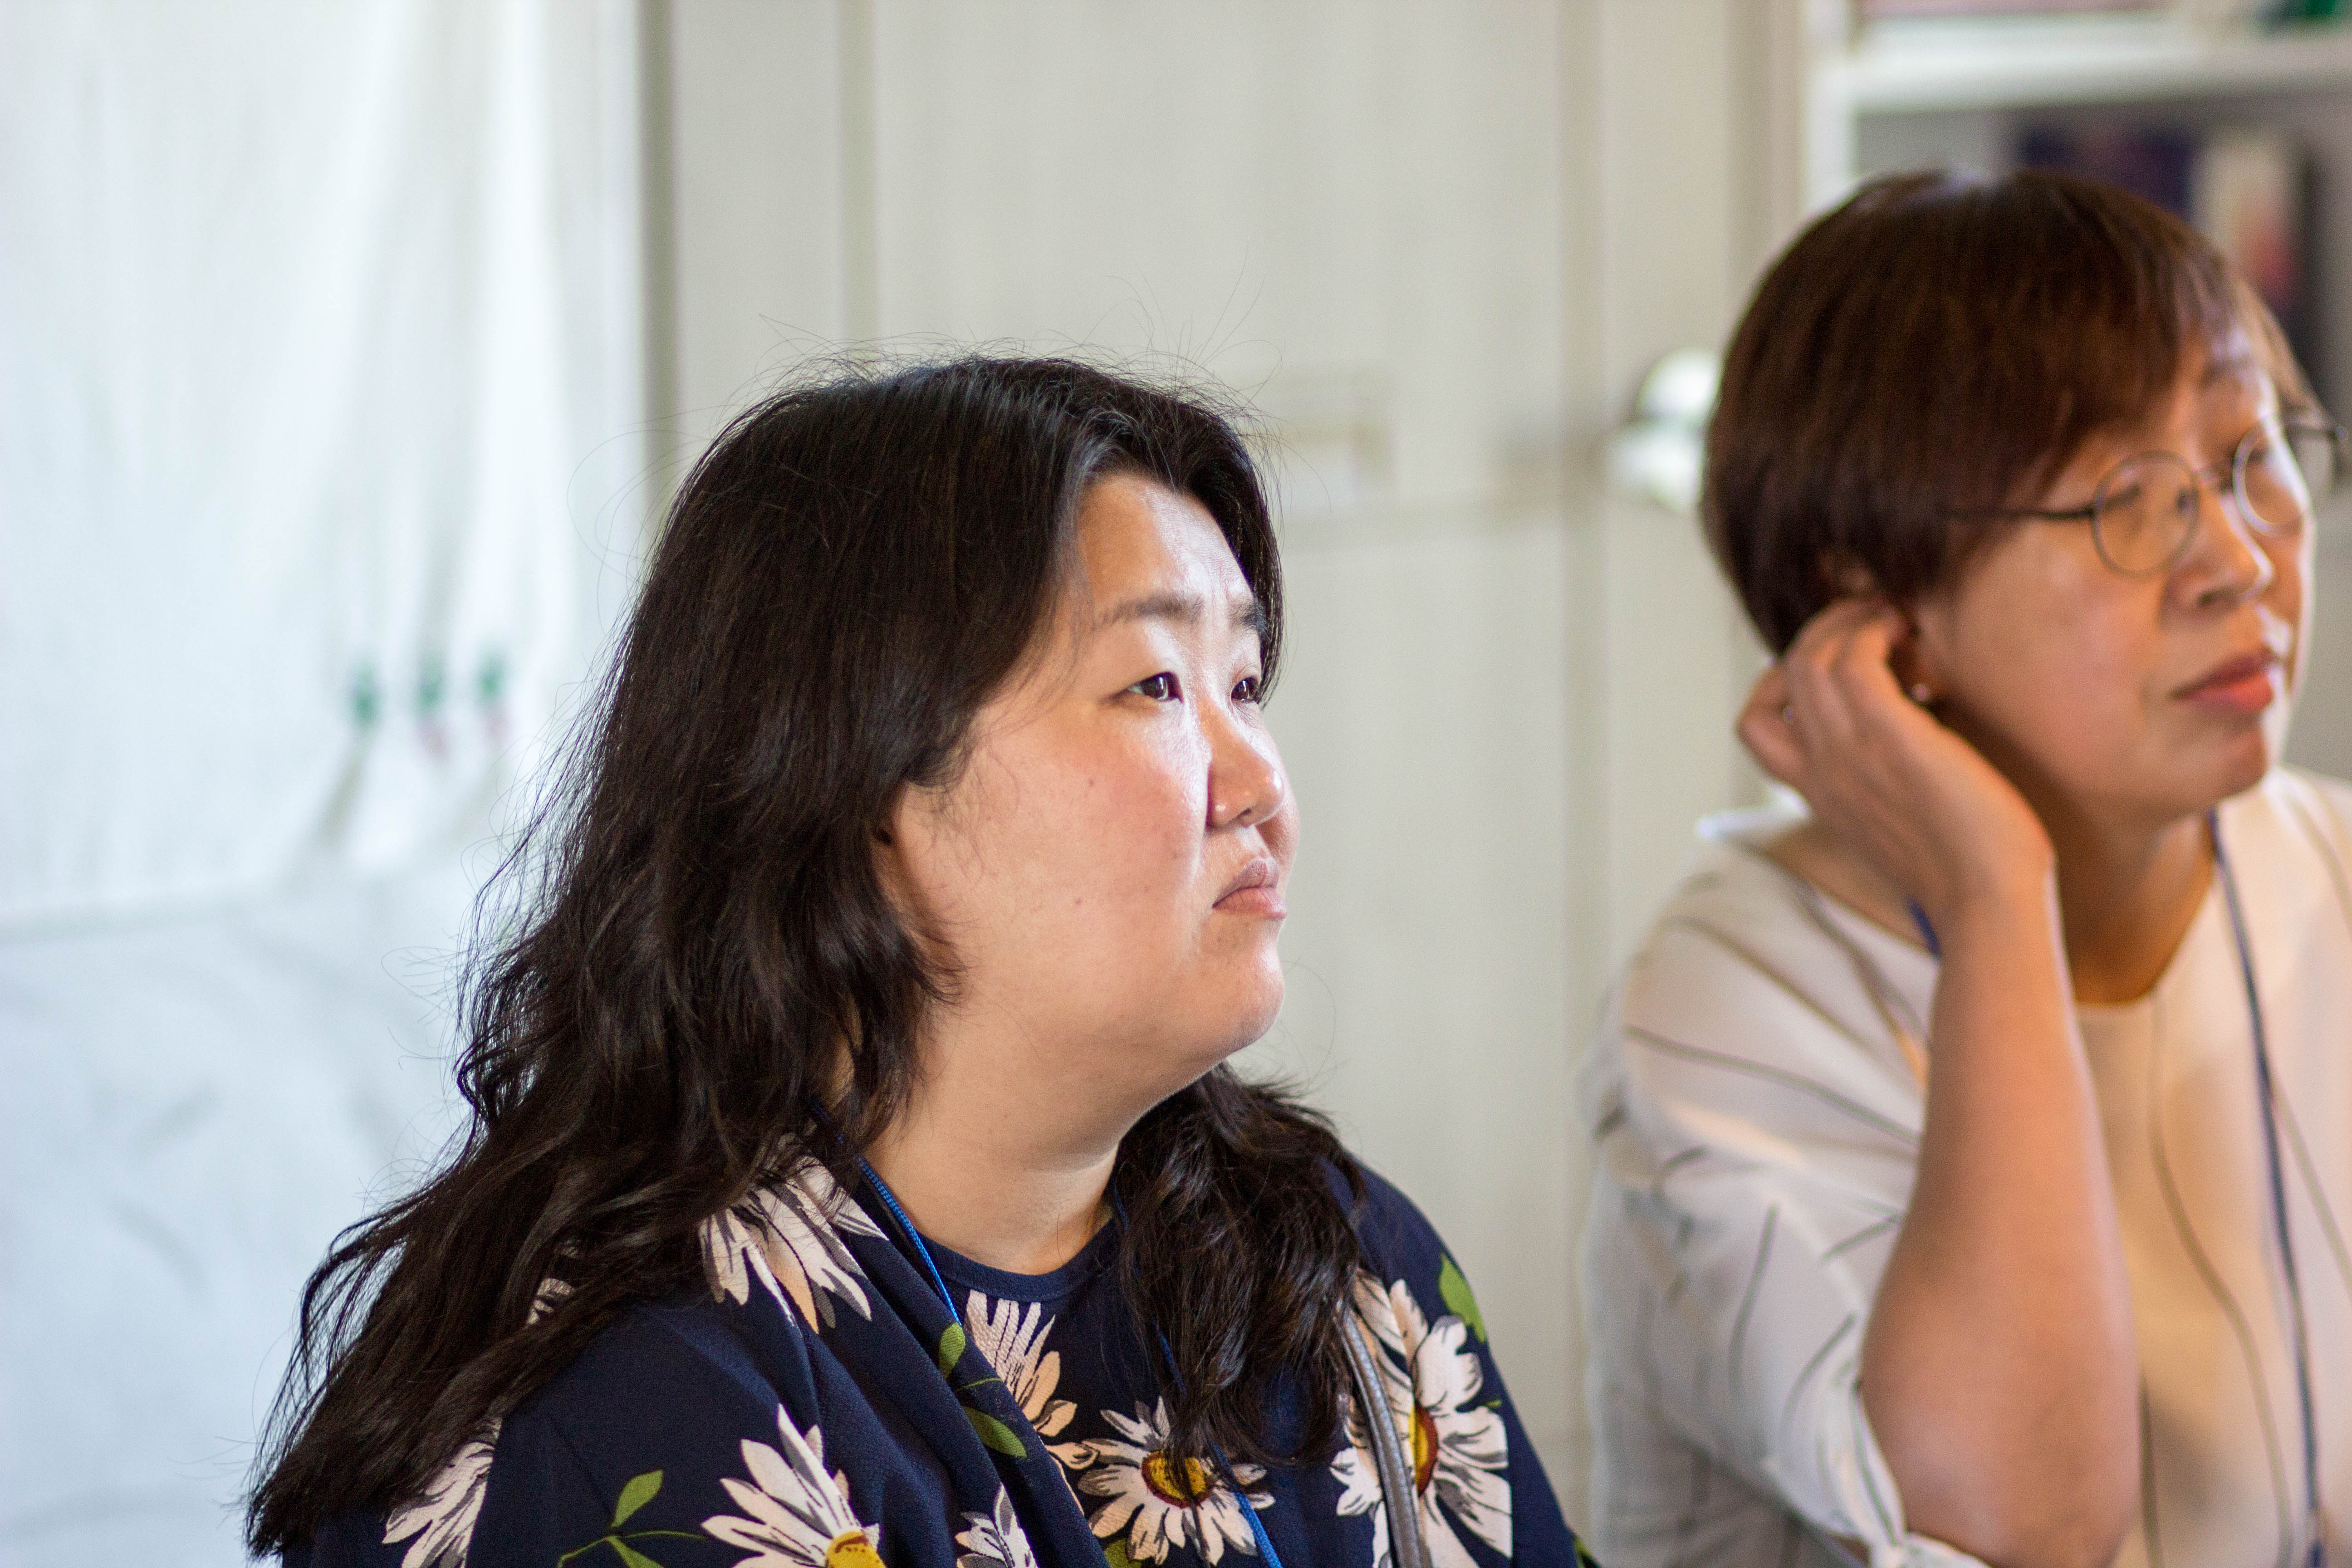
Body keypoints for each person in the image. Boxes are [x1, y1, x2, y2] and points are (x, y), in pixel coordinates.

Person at [248, 356, 1582, 1568]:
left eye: (1243, 684)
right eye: (1154, 688)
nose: (1261, 786)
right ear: (857, 786)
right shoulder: (639, 1411)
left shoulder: (1328, 1251)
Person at [1580, 169, 2352, 1568]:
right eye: (2127, 500)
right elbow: (2016, 1530)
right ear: (1875, 605)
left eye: (2253, 457)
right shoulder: (1729, 1000)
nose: (2240, 562)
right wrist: (1997, 897)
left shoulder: (2332, 871)